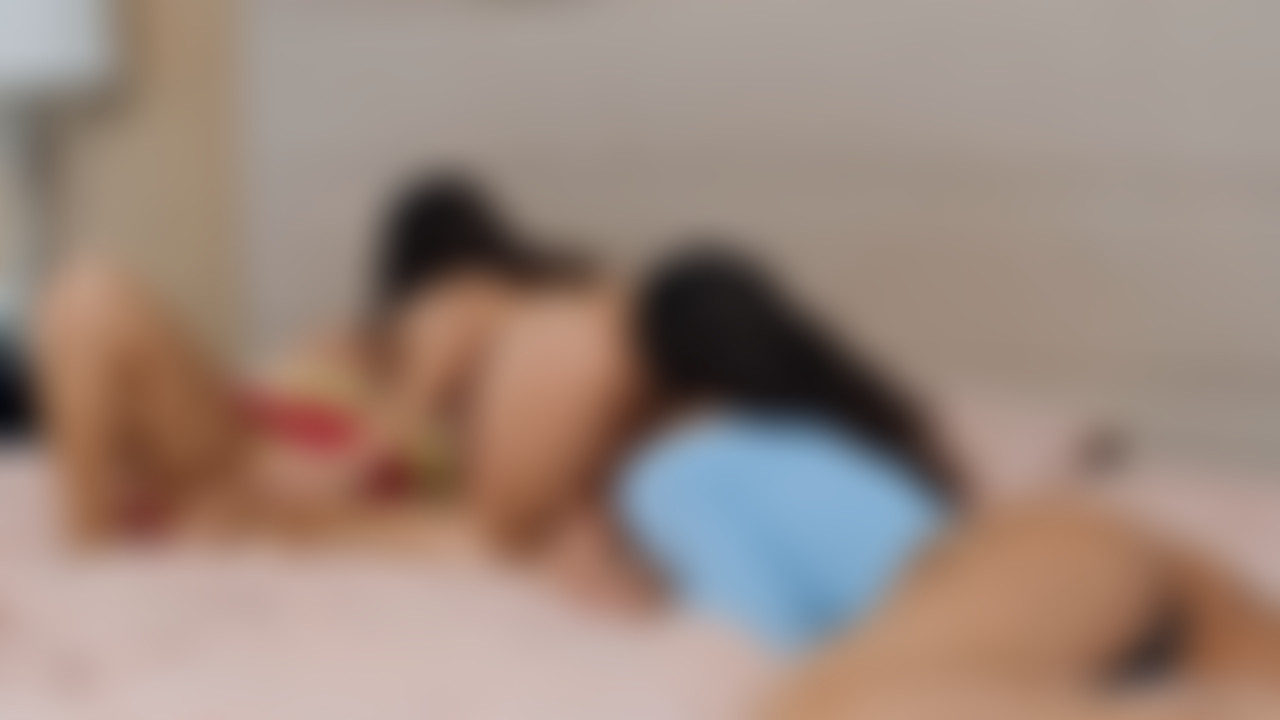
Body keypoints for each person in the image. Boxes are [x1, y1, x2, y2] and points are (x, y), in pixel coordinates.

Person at [618, 247, 1280, 717]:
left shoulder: (676, 470)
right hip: (1080, 587)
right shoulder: (848, 415)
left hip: (1020, 574)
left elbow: (750, 624)